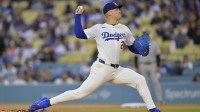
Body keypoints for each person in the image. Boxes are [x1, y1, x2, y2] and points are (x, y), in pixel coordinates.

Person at [29, 2, 160, 112]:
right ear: (109, 13)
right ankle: (47, 102)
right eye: (116, 9)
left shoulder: (124, 29)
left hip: (117, 70)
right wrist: (77, 15)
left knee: (140, 80)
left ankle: (152, 109)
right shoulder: (99, 28)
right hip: (101, 68)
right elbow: (79, 34)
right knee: (80, 93)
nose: (119, 11)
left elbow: (132, 46)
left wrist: (142, 50)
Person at [135, 38, 163, 104]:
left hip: (152, 64)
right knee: (145, 83)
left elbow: (158, 55)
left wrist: (158, 66)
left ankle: (160, 99)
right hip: (142, 64)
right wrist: (137, 67)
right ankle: (147, 101)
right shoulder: (139, 43)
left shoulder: (154, 43)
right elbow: (135, 57)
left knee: (155, 82)